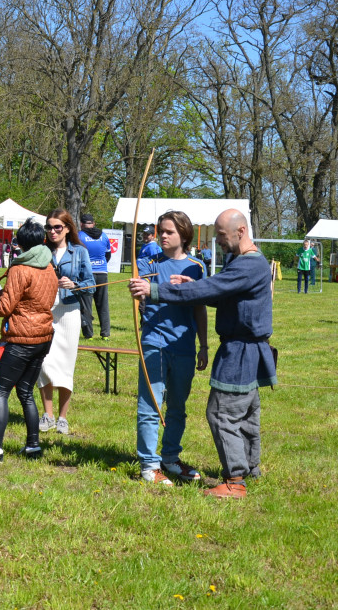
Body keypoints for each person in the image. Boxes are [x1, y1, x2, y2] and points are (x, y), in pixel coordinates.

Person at [129, 209, 276, 499]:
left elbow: (216, 287)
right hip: (242, 348)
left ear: (241, 231)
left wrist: (158, 291)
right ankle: (249, 469)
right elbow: (220, 293)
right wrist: (195, 288)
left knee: (221, 413)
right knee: (246, 413)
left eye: (221, 234)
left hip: (242, 350)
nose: (218, 240)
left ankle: (235, 481)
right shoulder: (241, 260)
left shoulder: (249, 264)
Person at [0, 220, 59, 462]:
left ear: (21, 243)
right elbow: (28, 299)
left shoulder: (20, 268)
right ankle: (33, 447)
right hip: (43, 337)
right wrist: (0, 293)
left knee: (1, 391)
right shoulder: (48, 267)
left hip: (22, 339)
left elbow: (5, 308)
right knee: (26, 391)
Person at [134, 211, 209, 486]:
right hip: (154, 342)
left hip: (185, 344)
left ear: (184, 235)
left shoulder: (196, 267)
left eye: (169, 232)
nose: (163, 236)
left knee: (177, 405)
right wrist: (139, 286)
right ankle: (148, 464)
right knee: (151, 404)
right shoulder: (147, 262)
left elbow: (200, 306)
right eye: (161, 231)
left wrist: (204, 344)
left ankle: (170, 458)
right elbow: (138, 286)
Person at [37, 209, 94, 435]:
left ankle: (62, 417)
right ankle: (47, 415)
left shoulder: (79, 252)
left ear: (68, 228)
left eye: (57, 227)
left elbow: (91, 284)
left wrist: (75, 285)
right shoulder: (41, 252)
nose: (52, 231)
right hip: (46, 311)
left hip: (70, 312)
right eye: (49, 227)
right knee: (43, 363)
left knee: (65, 366)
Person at [78, 213, 112, 340]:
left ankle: (88, 334)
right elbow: (108, 255)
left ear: (81, 224)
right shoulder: (104, 236)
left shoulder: (80, 236)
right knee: (103, 304)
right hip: (102, 272)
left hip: (87, 274)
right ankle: (105, 334)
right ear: (93, 223)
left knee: (86, 305)